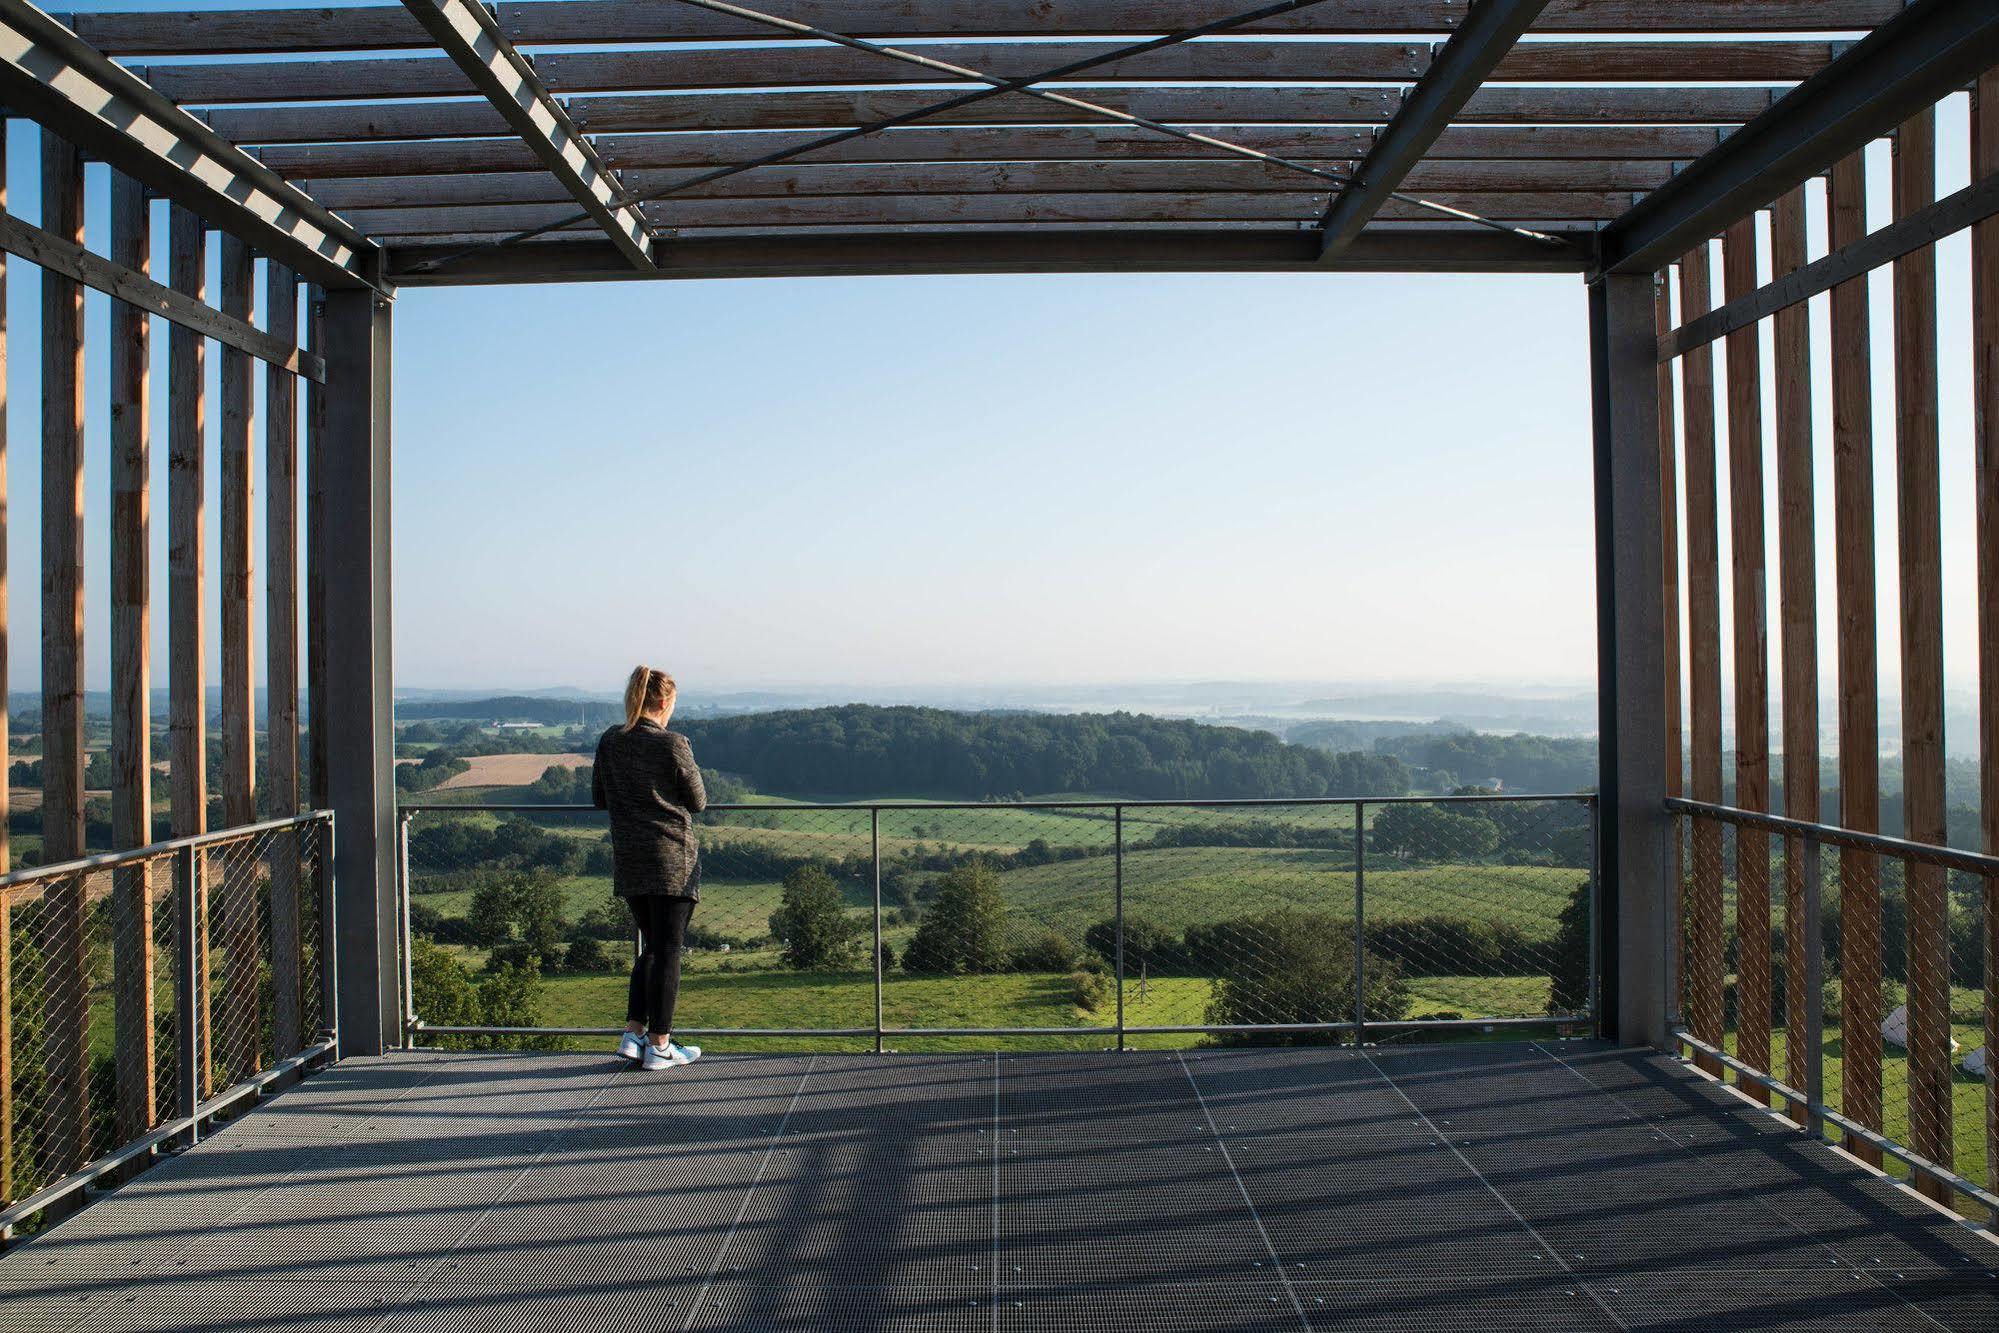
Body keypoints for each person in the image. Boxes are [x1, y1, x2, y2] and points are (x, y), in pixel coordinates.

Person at [593, 664, 707, 1071]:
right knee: (668, 950)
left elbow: (599, 797)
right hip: (672, 859)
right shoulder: (673, 743)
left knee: (652, 946)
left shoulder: (610, 741)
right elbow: (698, 800)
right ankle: (660, 1045)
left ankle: (634, 1033)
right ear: (663, 702)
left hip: (630, 858)